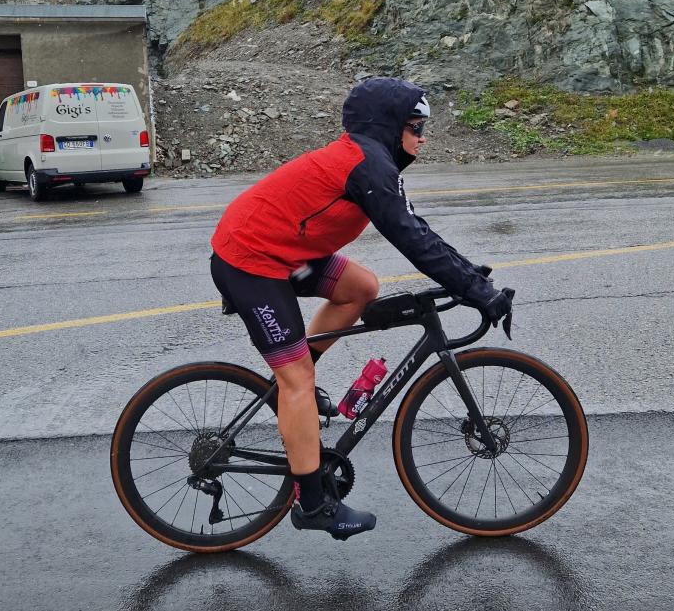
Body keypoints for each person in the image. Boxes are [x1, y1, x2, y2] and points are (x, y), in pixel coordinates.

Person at [210, 77, 515, 540]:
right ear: (390, 126)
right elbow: (411, 241)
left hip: (284, 252)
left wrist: (471, 276)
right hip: (251, 260)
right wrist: (478, 292)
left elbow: (417, 228)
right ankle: (311, 504)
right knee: (296, 380)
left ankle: (298, 389)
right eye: (415, 126)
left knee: (361, 287)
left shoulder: (373, 162)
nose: (422, 137)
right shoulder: (365, 164)